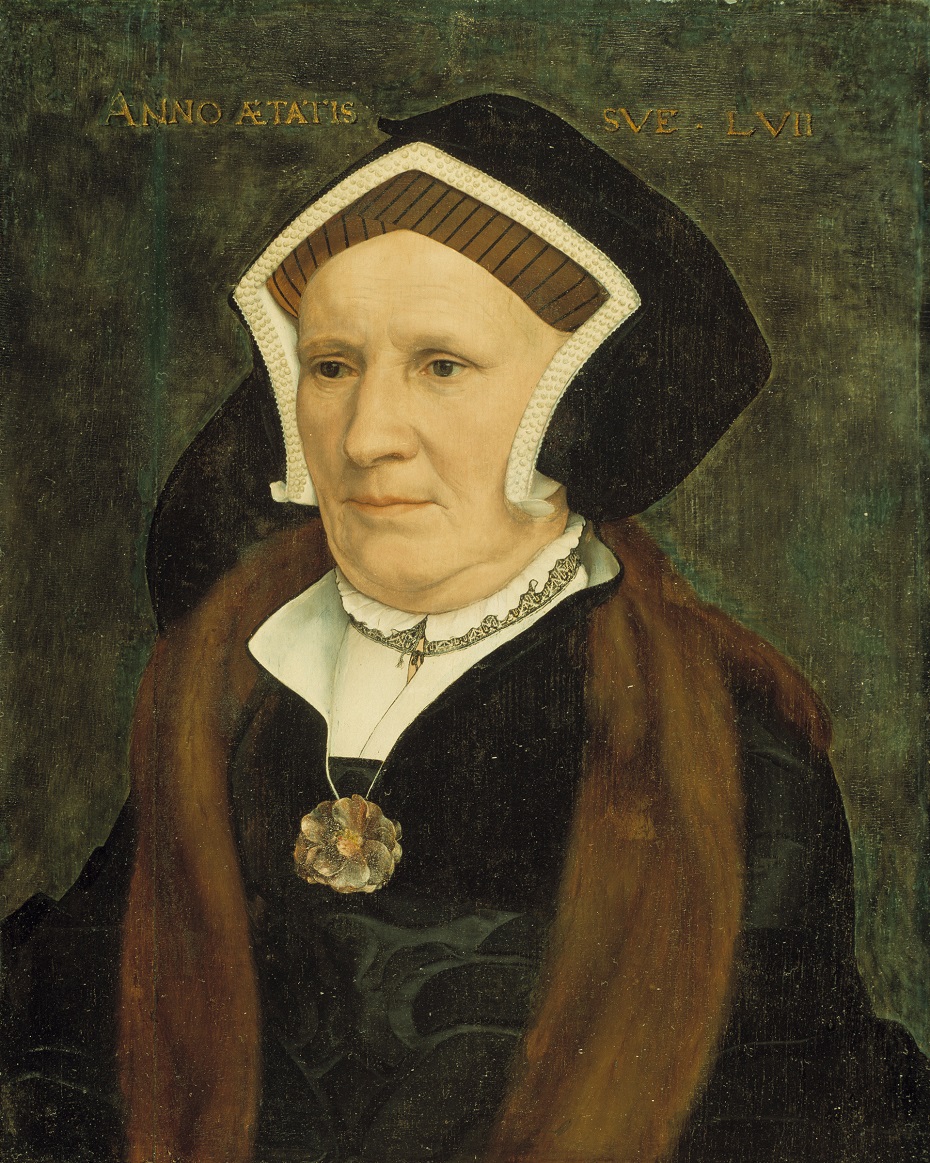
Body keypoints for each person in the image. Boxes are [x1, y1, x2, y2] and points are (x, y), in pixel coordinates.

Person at [3, 94, 928, 1163]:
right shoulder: (227, 685)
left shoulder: (728, 748)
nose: (367, 436)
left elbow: (796, 1114)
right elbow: (72, 1028)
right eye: (332, 365)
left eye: (441, 366)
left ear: (567, 404)